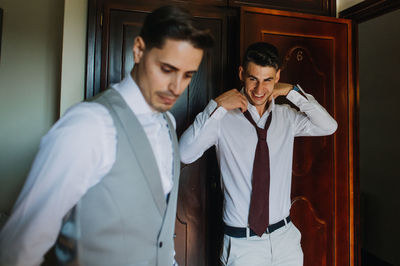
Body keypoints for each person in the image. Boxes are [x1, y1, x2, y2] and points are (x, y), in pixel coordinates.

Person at [0, 5, 213, 266]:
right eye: (166, 69)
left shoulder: (168, 122)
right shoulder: (89, 125)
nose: (176, 87)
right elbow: (20, 247)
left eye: (188, 75)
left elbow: (160, 235)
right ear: (138, 50)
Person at [179, 42, 337, 266]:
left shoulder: (286, 117)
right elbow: (185, 153)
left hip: (285, 239)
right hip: (243, 245)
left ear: (278, 77)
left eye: (268, 80)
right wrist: (216, 106)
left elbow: (329, 126)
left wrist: (294, 93)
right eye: (253, 78)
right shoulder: (221, 118)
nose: (259, 89)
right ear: (242, 73)